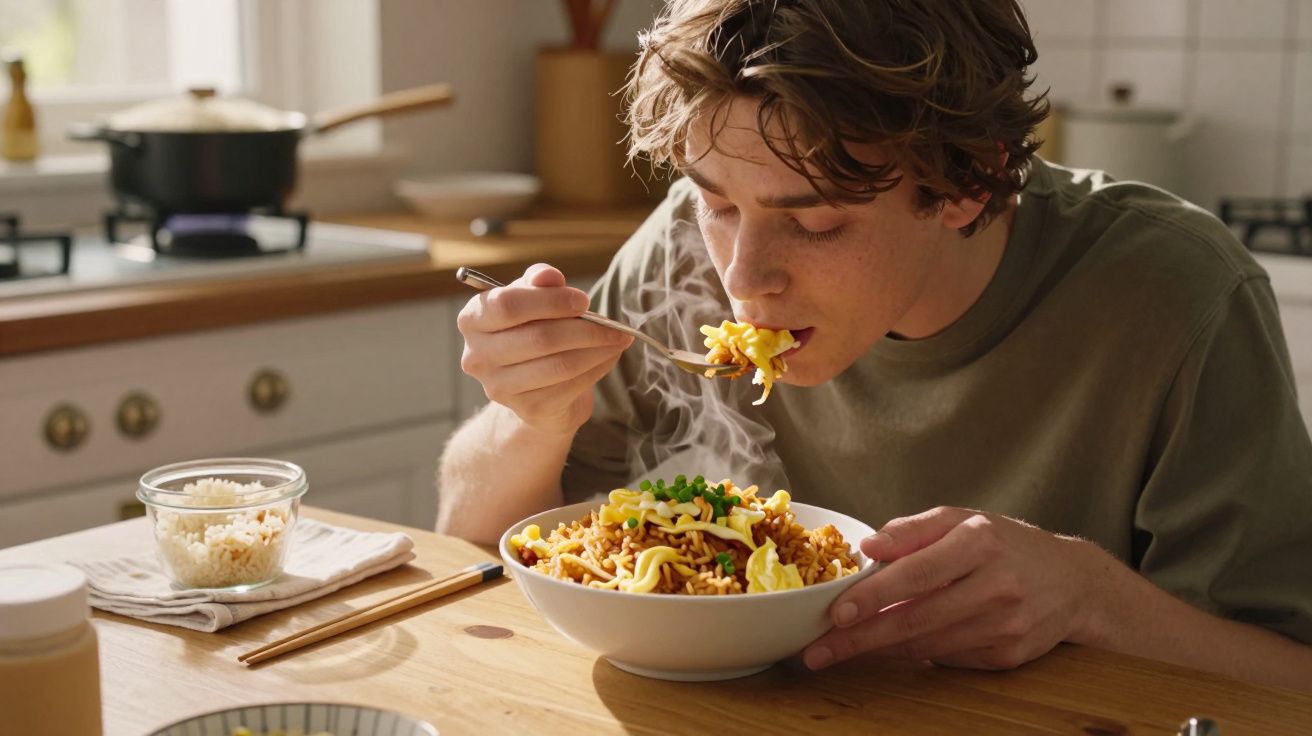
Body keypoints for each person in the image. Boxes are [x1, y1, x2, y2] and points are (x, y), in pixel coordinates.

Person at [438, 0, 1312, 690]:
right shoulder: (681, 251)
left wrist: (1090, 599)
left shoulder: (1178, 293)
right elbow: (469, 543)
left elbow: (1290, 679)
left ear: (969, 183)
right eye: (716, 201)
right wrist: (532, 419)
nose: (744, 276)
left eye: (814, 220)